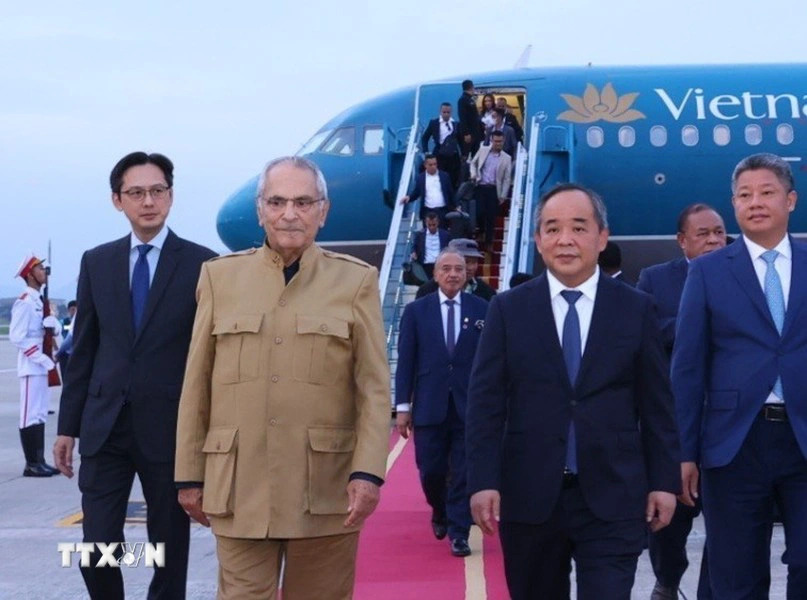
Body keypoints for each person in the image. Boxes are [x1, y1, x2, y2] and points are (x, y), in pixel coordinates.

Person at [174, 156, 390, 600]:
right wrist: (189, 475)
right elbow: (197, 382)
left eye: (302, 202)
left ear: (322, 211)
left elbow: (372, 387)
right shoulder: (219, 278)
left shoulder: (356, 281)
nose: (289, 213)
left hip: (325, 490)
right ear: (260, 210)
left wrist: (369, 472)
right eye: (277, 201)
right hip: (240, 488)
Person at [467, 183, 680, 599]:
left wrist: (663, 481)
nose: (565, 239)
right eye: (552, 228)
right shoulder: (508, 310)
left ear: (602, 237)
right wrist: (482, 481)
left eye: (579, 228)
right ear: (538, 239)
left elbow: (657, 404)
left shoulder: (635, 308)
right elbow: (485, 404)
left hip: (613, 495)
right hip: (529, 496)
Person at [53, 151, 217, 600]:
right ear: (117, 200)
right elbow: (83, 350)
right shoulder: (97, 262)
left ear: (171, 195)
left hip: (170, 429)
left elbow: (212, 357)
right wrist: (67, 427)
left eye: (157, 191)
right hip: (105, 427)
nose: (149, 201)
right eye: (136, 193)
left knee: (168, 544)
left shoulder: (204, 264)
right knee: (98, 546)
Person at [672, 153, 807, 599]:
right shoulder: (710, 272)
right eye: (745, 195)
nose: (756, 202)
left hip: (804, 436)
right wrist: (685, 451)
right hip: (734, 444)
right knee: (736, 573)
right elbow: (688, 366)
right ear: (734, 206)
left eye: (767, 192)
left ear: (790, 200)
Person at [638, 203, 726, 600]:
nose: (713, 241)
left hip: (730, 424)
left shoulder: (743, 276)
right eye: (703, 234)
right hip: (674, 425)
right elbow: (644, 336)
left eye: (719, 233)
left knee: (730, 527)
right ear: (682, 241)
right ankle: (668, 581)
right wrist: (695, 323)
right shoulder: (655, 280)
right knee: (670, 522)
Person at [395, 248, 489, 557]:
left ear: (466, 274)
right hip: (429, 406)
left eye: (458, 269)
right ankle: (439, 509)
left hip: (469, 407)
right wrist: (403, 408)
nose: (452, 274)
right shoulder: (416, 312)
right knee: (430, 470)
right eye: (446, 268)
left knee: (463, 472)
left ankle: (459, 532)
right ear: (435, 274)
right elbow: (406, 362)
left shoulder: (483, 309)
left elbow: (491, 362)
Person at [10, 254, 61, 477]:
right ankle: (31, 463)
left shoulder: (40, 301)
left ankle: (39, 460)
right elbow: (17, 337)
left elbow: (50, 330)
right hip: (32, 366)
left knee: (40, 413)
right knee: (29, 414)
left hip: (42, 365)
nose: (44, 272)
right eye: (40, 269)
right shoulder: (25, 301)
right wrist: (41, 358)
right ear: (30, 274)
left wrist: (53, 325)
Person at [470, 132, 512, 251]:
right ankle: (481, 231)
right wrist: (474, 174)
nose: (498, 144)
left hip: (494, 189)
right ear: (492, 141)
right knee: (479, 212)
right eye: (496, 141)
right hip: (481, 186)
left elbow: (507, 178)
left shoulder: (506, 158)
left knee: (491, 216)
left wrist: (503, 195)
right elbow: (473, 162)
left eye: (500, 141)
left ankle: (489, 241)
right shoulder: (483, 150)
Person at [416, 238, 496, 300]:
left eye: (474, 262)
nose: (471, 267)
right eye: (466, 261)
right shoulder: (426, 291)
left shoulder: (487, 292)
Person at [401, 154, 455, 225]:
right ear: (425, 165)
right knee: (427, 233)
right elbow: (417, 192)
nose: (433, 167)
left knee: (443, 233)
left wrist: (455, 206)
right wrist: (409, 197)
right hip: (428, 211)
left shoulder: (444, 176)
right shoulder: (421, 178)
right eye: (430, 165)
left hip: (442, 211)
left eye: (435, 164)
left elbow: (450, 193)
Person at [421, 102, 462, 188]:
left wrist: (463, 153)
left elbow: (460, 140)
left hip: (453, 155)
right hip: (439, 154)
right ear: (440, 111)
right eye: (444, 112)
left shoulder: (456, 124)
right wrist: (426, 152)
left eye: (448, 112)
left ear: (451, 112)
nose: (446, 114)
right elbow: (425, 137)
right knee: (439, 177)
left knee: (453, 178)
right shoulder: (434, 123)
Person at [411, 212, 451, 280]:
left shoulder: (445, 235)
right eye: (429, 225)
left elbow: (449, 248)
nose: (432, 227)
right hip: (425, 265)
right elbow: (414, 246)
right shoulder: (420, 235)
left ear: (438, 223)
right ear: (426, 223)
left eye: (434, 225)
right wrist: (414, 252)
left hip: (440, 264)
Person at [457, 79, 483, 157]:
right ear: (471, 87)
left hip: (475, 133)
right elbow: (463, 117)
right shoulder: (463, 100)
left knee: (476, 154)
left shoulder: (470, 99)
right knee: (468, 155)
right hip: (470, 134)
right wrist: (466, 133)